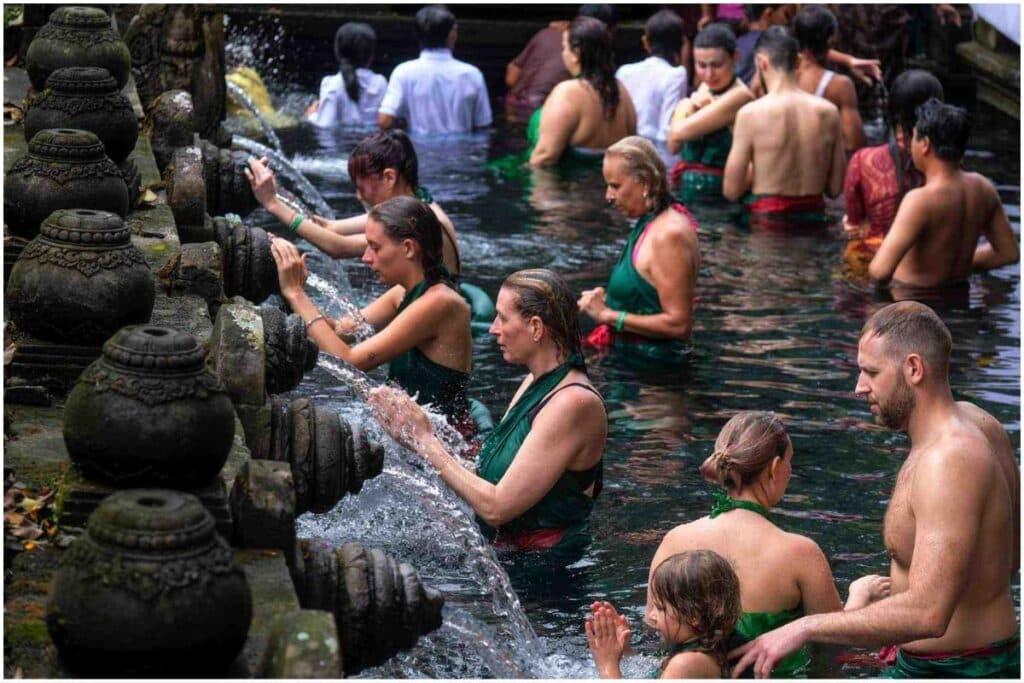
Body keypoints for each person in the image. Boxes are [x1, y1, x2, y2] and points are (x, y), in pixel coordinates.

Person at [731, 302, 1020, 679]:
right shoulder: (980, 423)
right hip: (950, 659)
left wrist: (803, 627)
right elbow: (1011, 558)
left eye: (871, 372)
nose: (858, 387)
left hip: (957, 669)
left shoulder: (950, 459)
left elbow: (929, 614)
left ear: (914, 369)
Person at [370, 268, 607, 561]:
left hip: (546, 578)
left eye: (503, 318)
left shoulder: (572, 404)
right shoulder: (535, 382)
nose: (493, 328)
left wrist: (424, 439)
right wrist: (410, 432)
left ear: (535, 327)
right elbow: (484, 475)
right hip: (506, 554)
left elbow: (497, 507)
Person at [647, 411, 892, 677]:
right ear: (775, 468)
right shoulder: (800, 553)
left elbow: (656, 630)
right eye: (790, 462)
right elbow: (834, 643)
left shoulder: (674, 540)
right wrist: (860, 595)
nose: (790, 471)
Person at [270, 195, 476, 435]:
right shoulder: (402, 293)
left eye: (375, 247)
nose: (366, 257)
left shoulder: (440, 302)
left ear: (409, 248)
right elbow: (339, 331)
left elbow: (350, 361)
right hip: (415, 439)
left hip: (450, 447)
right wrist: (294, 290)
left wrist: (296, 294)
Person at [867, 99, 1019, 302]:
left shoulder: (919, 200)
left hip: (916, 305)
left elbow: (879, 272)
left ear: (925, 144)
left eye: (913, 137)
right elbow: (1008, 253)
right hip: (960, 299)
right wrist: (955, 263)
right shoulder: (983, 188)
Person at [579, 137, 699, 350]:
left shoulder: (668, 235)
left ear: (645, 183)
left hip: (651, 373)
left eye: (615, 186)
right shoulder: (650, 222)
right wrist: (607, 300)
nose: (608, 196)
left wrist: (607, 314)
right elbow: (648, 297)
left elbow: (679, 324)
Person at [723, 26, 845, 228]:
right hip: (814, 224)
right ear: (798, 62)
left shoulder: (750, 114)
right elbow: (834, 188)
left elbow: (731, 191)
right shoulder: (829, 112)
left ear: (762, 62)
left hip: (766, 225)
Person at [842, 70, 944, 271]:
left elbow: (853, 226)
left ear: (891, 109)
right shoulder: (950, 167)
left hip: (876, 262)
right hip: (934, 267)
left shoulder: (863, 162)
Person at [587, 550, 742, 678]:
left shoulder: (687, 663)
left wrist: (607, 666)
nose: (651, 617)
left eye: (660, 608)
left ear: (693, 616)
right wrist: (624, 650)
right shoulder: (709, 642)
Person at [528, 16, 636, 167]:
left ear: (576, 53)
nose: (563, 53)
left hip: (568, 187)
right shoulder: (621, 91)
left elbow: (544, 158)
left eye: (564, 47)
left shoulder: (568, 92)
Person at [666, 24, 754, 202]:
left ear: (735, 57)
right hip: (688, 190)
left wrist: (686, 105)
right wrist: (689, 104)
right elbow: (673, 146)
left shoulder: (741, 96)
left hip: (720, 197)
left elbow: (678, 132)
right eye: (701, 65)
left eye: (717, 65)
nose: (709, 74)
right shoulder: (706, 87)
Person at [377, 5, 492, 135]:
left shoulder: (404, 72)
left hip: (419, 151)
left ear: (418, 36)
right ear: (452, 36)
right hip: (461, 152)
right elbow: (483, 127)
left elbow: (384, 121)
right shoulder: (472, 75)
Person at [504, 4, 616, 115]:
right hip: (543, 113)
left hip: (512, 106)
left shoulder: (546, 33)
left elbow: (511, 76)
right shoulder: (589, 50)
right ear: (608, 31)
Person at [792, 5, 865, 153]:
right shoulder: (839, 86)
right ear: (831, 40)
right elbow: (853, 143)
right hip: (819, 166)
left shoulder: (776, 73)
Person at [615, 10, 688, 142]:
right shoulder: (676, 75)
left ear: (645, 42)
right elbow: (666, 130)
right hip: (656, 152)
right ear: (681, 44)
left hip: (623, 146)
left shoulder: (624, 72)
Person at [307, 23, 387, 127]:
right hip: (373, 142)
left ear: (338, 52)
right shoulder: (381, 83)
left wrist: (312, 115)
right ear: (371, 55)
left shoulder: (332, 84)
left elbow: (324, 125)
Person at [734, 5, 796, 84]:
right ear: (769, 13)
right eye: (787, 15)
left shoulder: (736, 44)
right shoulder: (773, 49)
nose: (789, 24)